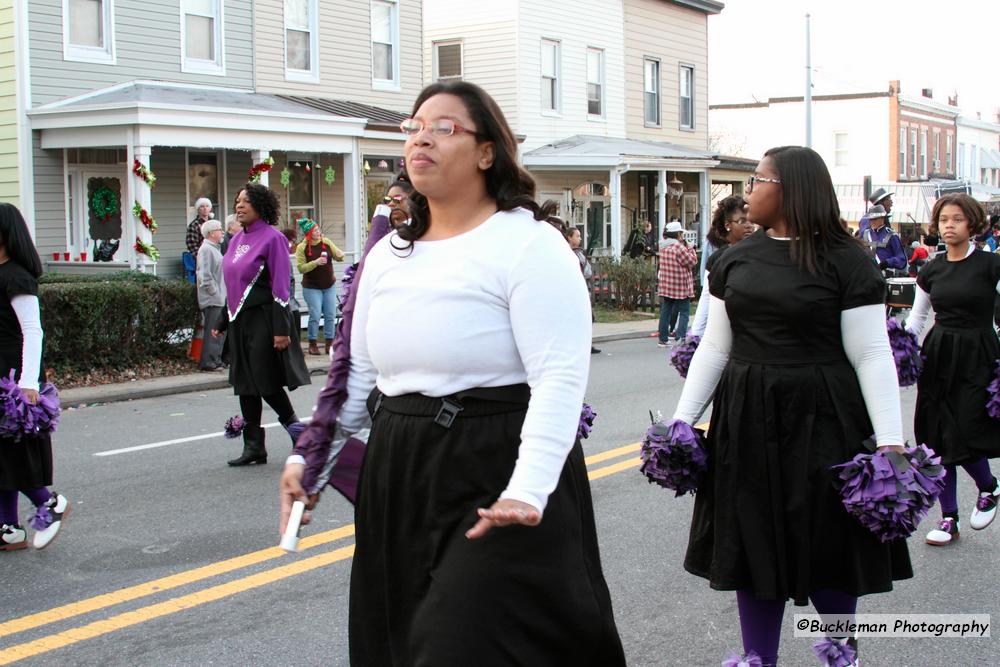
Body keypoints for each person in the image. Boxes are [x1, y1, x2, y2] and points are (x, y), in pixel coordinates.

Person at [291, 80, 626, 665]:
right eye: (414, 126)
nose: (421, 138)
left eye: (442, 127)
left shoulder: (530, 245)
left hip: (494, 465)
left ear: (486, 151)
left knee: (468, 645)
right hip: (401, 466)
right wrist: (311, 459)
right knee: (403, 637)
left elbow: (559, 380)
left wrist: (527, 489)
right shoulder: (387, 255)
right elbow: (355, 374)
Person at [669, 146, 911, 666]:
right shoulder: (734, 258)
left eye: (758, 179)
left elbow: (870, 352)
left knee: (828, 543)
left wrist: (890, 440)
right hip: (746, 418)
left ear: (791, 187)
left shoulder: (847, 260)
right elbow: (716, 345)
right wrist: (681, 422)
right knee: (752, 542)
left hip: (826, 416)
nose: (749, 191)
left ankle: (840, 654)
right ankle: (759, 661)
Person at [904, 193, 1000, 546]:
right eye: (944, 219)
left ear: (972, 223)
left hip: (979, 353)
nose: (949, 225)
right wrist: (898, 346)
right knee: (937, 437)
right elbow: (917, 317)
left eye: (957, 219)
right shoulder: (931, 269)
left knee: (965, 429)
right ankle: (948, 519)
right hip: (940, 353)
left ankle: (989, 486)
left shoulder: (992, 266)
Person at [212, 183, 311, 467]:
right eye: (237, 201)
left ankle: (299, 434)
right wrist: (222, 319)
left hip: (265, 320)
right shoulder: (235, 240)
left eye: (246, 201)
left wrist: (282, 329)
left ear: (260, 205)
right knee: (245, 384)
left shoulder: (273, 239)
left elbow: (281, 285)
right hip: (239, 320)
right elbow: (234, 284)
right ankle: (254, 446)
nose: (239, 206)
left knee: (265, 381)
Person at [0, 203, 69, 551]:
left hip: (12, 378)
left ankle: (48, 502)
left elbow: (32, 330)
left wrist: (27, 383)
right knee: (4, 453)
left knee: (11, 453)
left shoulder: (16, 276)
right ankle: (8, 527)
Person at [689, 195, 752, 337]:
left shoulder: (760, 252)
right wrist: (694, 338)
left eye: (751, 220)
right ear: (727, 224)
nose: (749, 225)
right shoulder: (718, 259)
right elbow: (706, 299)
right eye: (742, 221)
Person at [296, 218, 344, 356]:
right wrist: (315, 262)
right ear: (309, 233)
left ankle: (330, 344)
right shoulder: (302, 247)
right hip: (311, 287)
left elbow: (337, 255)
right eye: (315, 230)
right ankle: (313, 343)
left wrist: (340, 255)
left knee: (330, 314)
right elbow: (301, 268)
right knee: (315, 314)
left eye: (318, 229)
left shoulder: (326, 242)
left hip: (329, 285)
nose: (318, 232)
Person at [657, 220, 697, 346]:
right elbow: (691, 262)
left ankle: (663, 338)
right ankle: (680, 337)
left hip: (667, 284)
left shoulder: (662, 246)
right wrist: (691, 249)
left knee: (666, 310)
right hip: (680, 285)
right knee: (684, 311)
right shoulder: (678, 247)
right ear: (677, 234)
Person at [196, 219, 227, 372]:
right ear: (211, 233)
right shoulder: (206, 250)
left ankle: (217, 359)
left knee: (219, 331)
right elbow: (205, 276)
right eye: (219, 229)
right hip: (212, 300)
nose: (222, 232)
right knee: (213, 330)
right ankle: (208, 361)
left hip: (219, 297)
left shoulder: (215, 248)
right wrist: (216, 294)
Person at [566, 226, 600, 354]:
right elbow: (583, 271)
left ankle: (585, 343)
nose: (580, 238)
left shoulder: (579, 253)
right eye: (577, 236)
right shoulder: (567, 253)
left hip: (584, 290)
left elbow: (588, 270)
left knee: (588, 318)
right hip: (573, 291)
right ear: (569, 237)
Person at [861, 204, 907, 273]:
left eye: (875, 219)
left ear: (882, 218)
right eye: (870, 219)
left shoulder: (891, 235)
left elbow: (901, 259)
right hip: (869, 275)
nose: (872, 222)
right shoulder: (865, 234)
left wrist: (887, 263)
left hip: (887, 276)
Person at [280, 228, 302, 331]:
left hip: (290, 300)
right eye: (291, 241)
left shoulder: (285, 255)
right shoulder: (281, 256)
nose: (292, 244)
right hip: (285, 300)